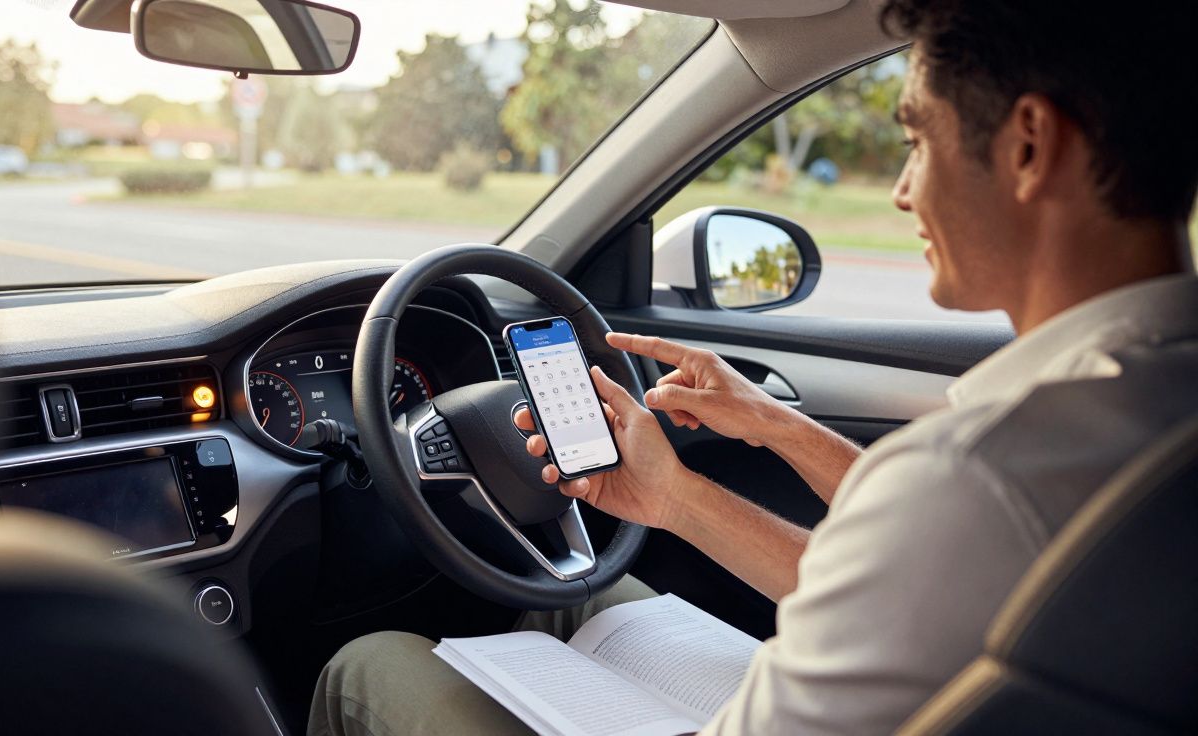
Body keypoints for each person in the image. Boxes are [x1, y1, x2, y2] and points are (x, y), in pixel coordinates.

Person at [310, 1, 1197, 733]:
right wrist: (717, 467)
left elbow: (943, 520)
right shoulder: (1137, 412)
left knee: (369, 665)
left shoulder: (975, 472)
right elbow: (925, 570)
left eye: (915, 141)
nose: (902, 190)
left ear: (1030, 144)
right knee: (569, 599)